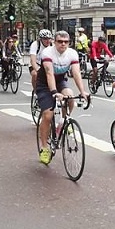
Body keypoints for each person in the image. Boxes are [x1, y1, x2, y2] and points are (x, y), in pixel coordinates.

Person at [36, 30, 90, 165]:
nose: (63, 44)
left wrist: (83, 91)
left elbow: (76, 73)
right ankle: (44, 148)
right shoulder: (47, 52)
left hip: (60, 80)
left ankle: (64, 121)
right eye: (60, 41)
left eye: (66, 42)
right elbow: (49, 73)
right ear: (54, 42)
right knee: (48, 115)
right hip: (44, 84)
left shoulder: (72, 53)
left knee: (70, 97)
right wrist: (54, 92)